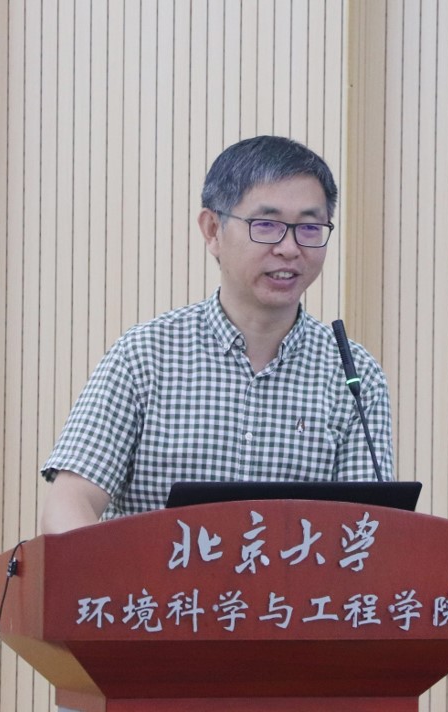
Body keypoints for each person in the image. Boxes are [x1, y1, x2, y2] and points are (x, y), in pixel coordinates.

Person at [40, 135, 394, 534]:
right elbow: (68, 503)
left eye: (310, 228)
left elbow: (368, 531)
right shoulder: (146, 355)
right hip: (152, 578)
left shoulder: (353, 375)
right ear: (212, 230)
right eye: (267, 225)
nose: (290, 248)